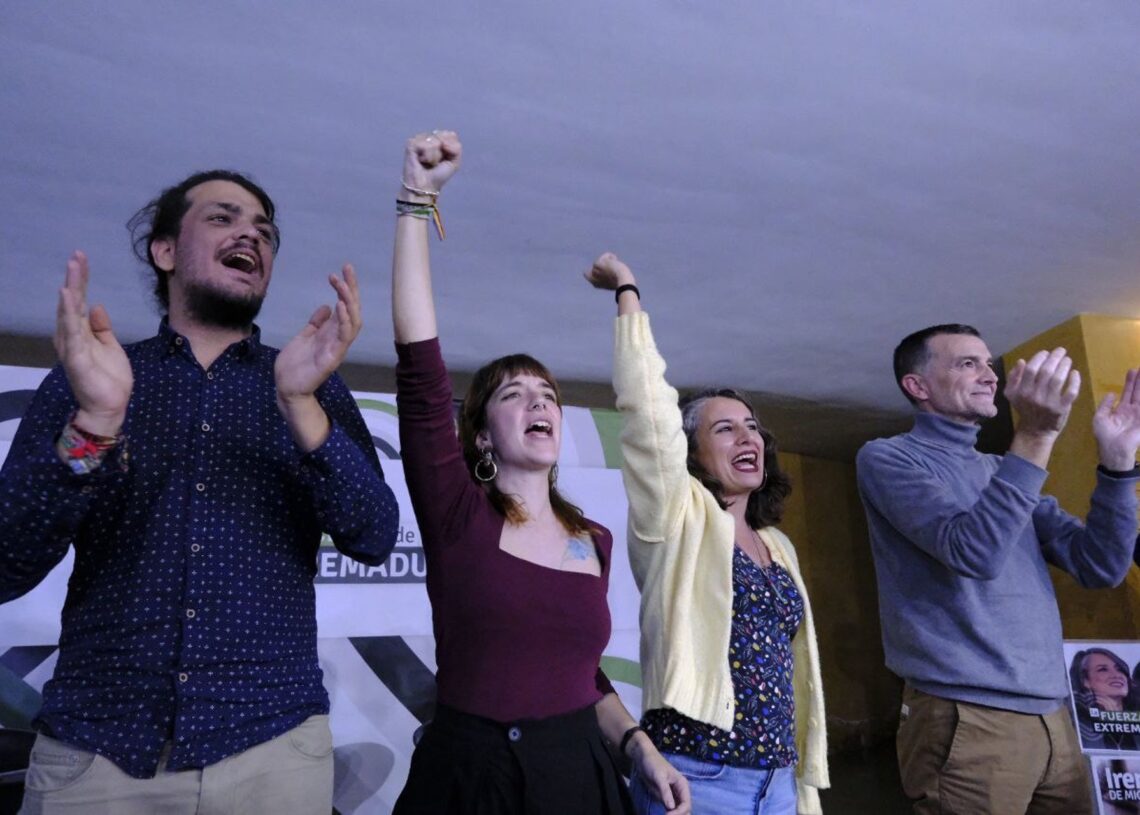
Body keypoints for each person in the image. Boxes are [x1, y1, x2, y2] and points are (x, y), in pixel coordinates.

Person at [0, 170, 400, 814]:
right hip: (98, 758)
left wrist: (301, 406)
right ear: (164, 252)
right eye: (223, 218)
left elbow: (375, 535)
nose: (252, 234)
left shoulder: (313, 386)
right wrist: (94, 426)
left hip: (271, 753)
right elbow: (6, 560)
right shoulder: (94, 378)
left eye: (265, 231)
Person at [388, 131, 689, 815]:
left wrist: (640, 745)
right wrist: (415, 204)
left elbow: (583, 676)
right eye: (513, 393)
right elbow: (419, 363)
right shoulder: (457, 512)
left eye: (548, 393)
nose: (539, 401)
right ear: (482, 431)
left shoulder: (594, 539)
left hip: (579, 777)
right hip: (467, 780)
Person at [856, 323, 1140, 814]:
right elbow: (973, 552)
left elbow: (1102, 566)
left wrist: (1117, 466)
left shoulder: (998, 470)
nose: (989, 375)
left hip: (1054, 714)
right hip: (966, 717)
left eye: (989, 363)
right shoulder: (888, 458)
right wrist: (1033, 434)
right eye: (968, 363)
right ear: (917, 386)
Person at [584, 253, 829, 815]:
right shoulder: (676, 517)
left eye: (753, 427)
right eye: (725, 428)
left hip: (778, 782)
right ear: (691, 452)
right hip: (697, 779)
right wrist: (627, 291)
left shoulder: (778, 546)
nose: (749, 437)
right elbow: (648, 411)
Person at [1070, 647, 1140, 752]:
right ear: (1085, 680)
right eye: (1103, 669)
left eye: (1119, 669)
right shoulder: (1078, 720)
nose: (1117, 675)